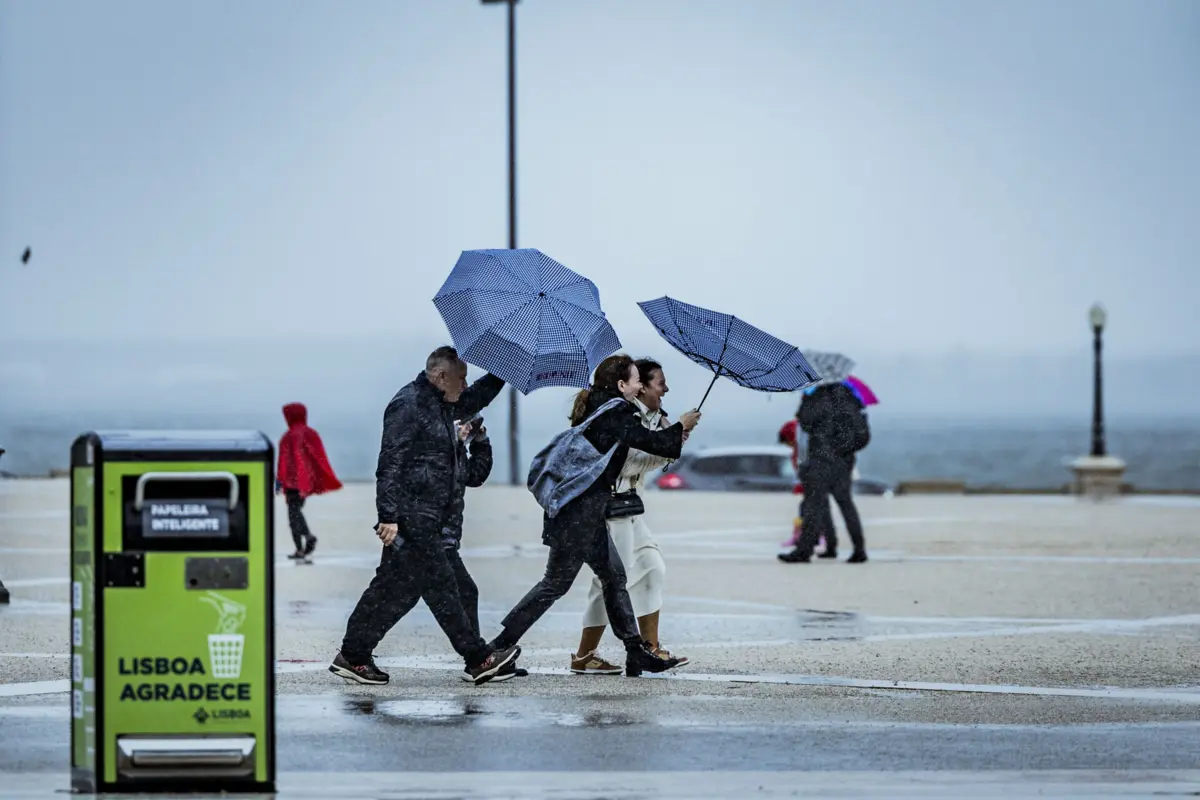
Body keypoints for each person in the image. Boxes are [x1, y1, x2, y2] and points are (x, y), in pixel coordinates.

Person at [488, 354, 701, 677]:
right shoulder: (615, 411)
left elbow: (647, 444)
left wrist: (672, 434)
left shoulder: (601, 408)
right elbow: (647, 442)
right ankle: (496, 648)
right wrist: (681, 428)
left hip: (577, 512)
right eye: (635, 380)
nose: (639, 385)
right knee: (558, 584)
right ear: (622, 385)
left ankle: (634, 650)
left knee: (612, 578)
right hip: (580, 514)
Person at [329, 347, 520, 686]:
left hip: (432, 519)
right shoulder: (409, 404)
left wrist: (504, 366)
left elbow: (476, 398)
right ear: (440, 376)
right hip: (413, 517)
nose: (465, 384)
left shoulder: (442, 405)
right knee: (444, 589)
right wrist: (387, 516)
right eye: (461, 378)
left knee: (398, 591)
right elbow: (389, 462)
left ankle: (354, 655)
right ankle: (478, 659)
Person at [571, 358, 689, 674]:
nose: (665, 389)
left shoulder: (646, 418)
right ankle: (584, 655)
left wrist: (671, 439)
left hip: (629, 506)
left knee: (652, 568)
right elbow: (626, 464)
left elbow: (644, 458)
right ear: (636, 386)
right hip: (609, 510)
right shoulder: (619, 416)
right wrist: (670, 441)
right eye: (659, 382)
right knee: (607, 583)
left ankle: (650, 647)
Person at [778, 380, 870, 564]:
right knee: (845, 504)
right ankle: (858, 549)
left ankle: (805, 550)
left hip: (820, 460)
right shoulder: (851, 398)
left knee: (814, 505)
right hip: (844, 462)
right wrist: (843, 452)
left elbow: (805, 421)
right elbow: (862, 436)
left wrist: (805, 400)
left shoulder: (816, 397)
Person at [276, 402, 343, 561]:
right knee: (295, 513)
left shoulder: (289, 436)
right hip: (305, 482)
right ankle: (301, 548)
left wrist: (279, 481)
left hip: (292, 482)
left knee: (294, 514)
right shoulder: (311, 434)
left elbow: (283, 461)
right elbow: (318, 457)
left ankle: (306, 539)